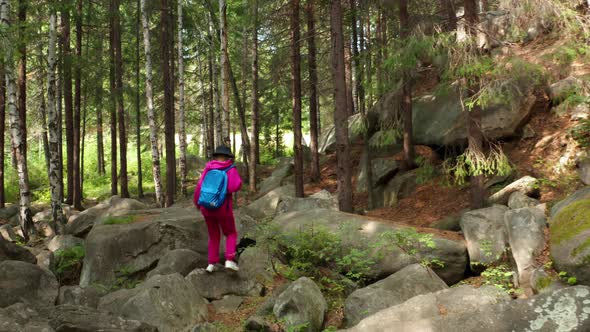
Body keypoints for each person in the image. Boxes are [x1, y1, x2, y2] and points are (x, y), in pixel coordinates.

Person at [193, 145, 242, 272]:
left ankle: (211, 264)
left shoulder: (208, 168)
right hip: (222, 208)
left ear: (216, 156)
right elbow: (234, 186)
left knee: (214, 236)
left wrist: (198, 204)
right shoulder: (230, 168)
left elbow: (199, 187)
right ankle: (229, 260)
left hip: (206, 207)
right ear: (227, 157)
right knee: (230, 233)